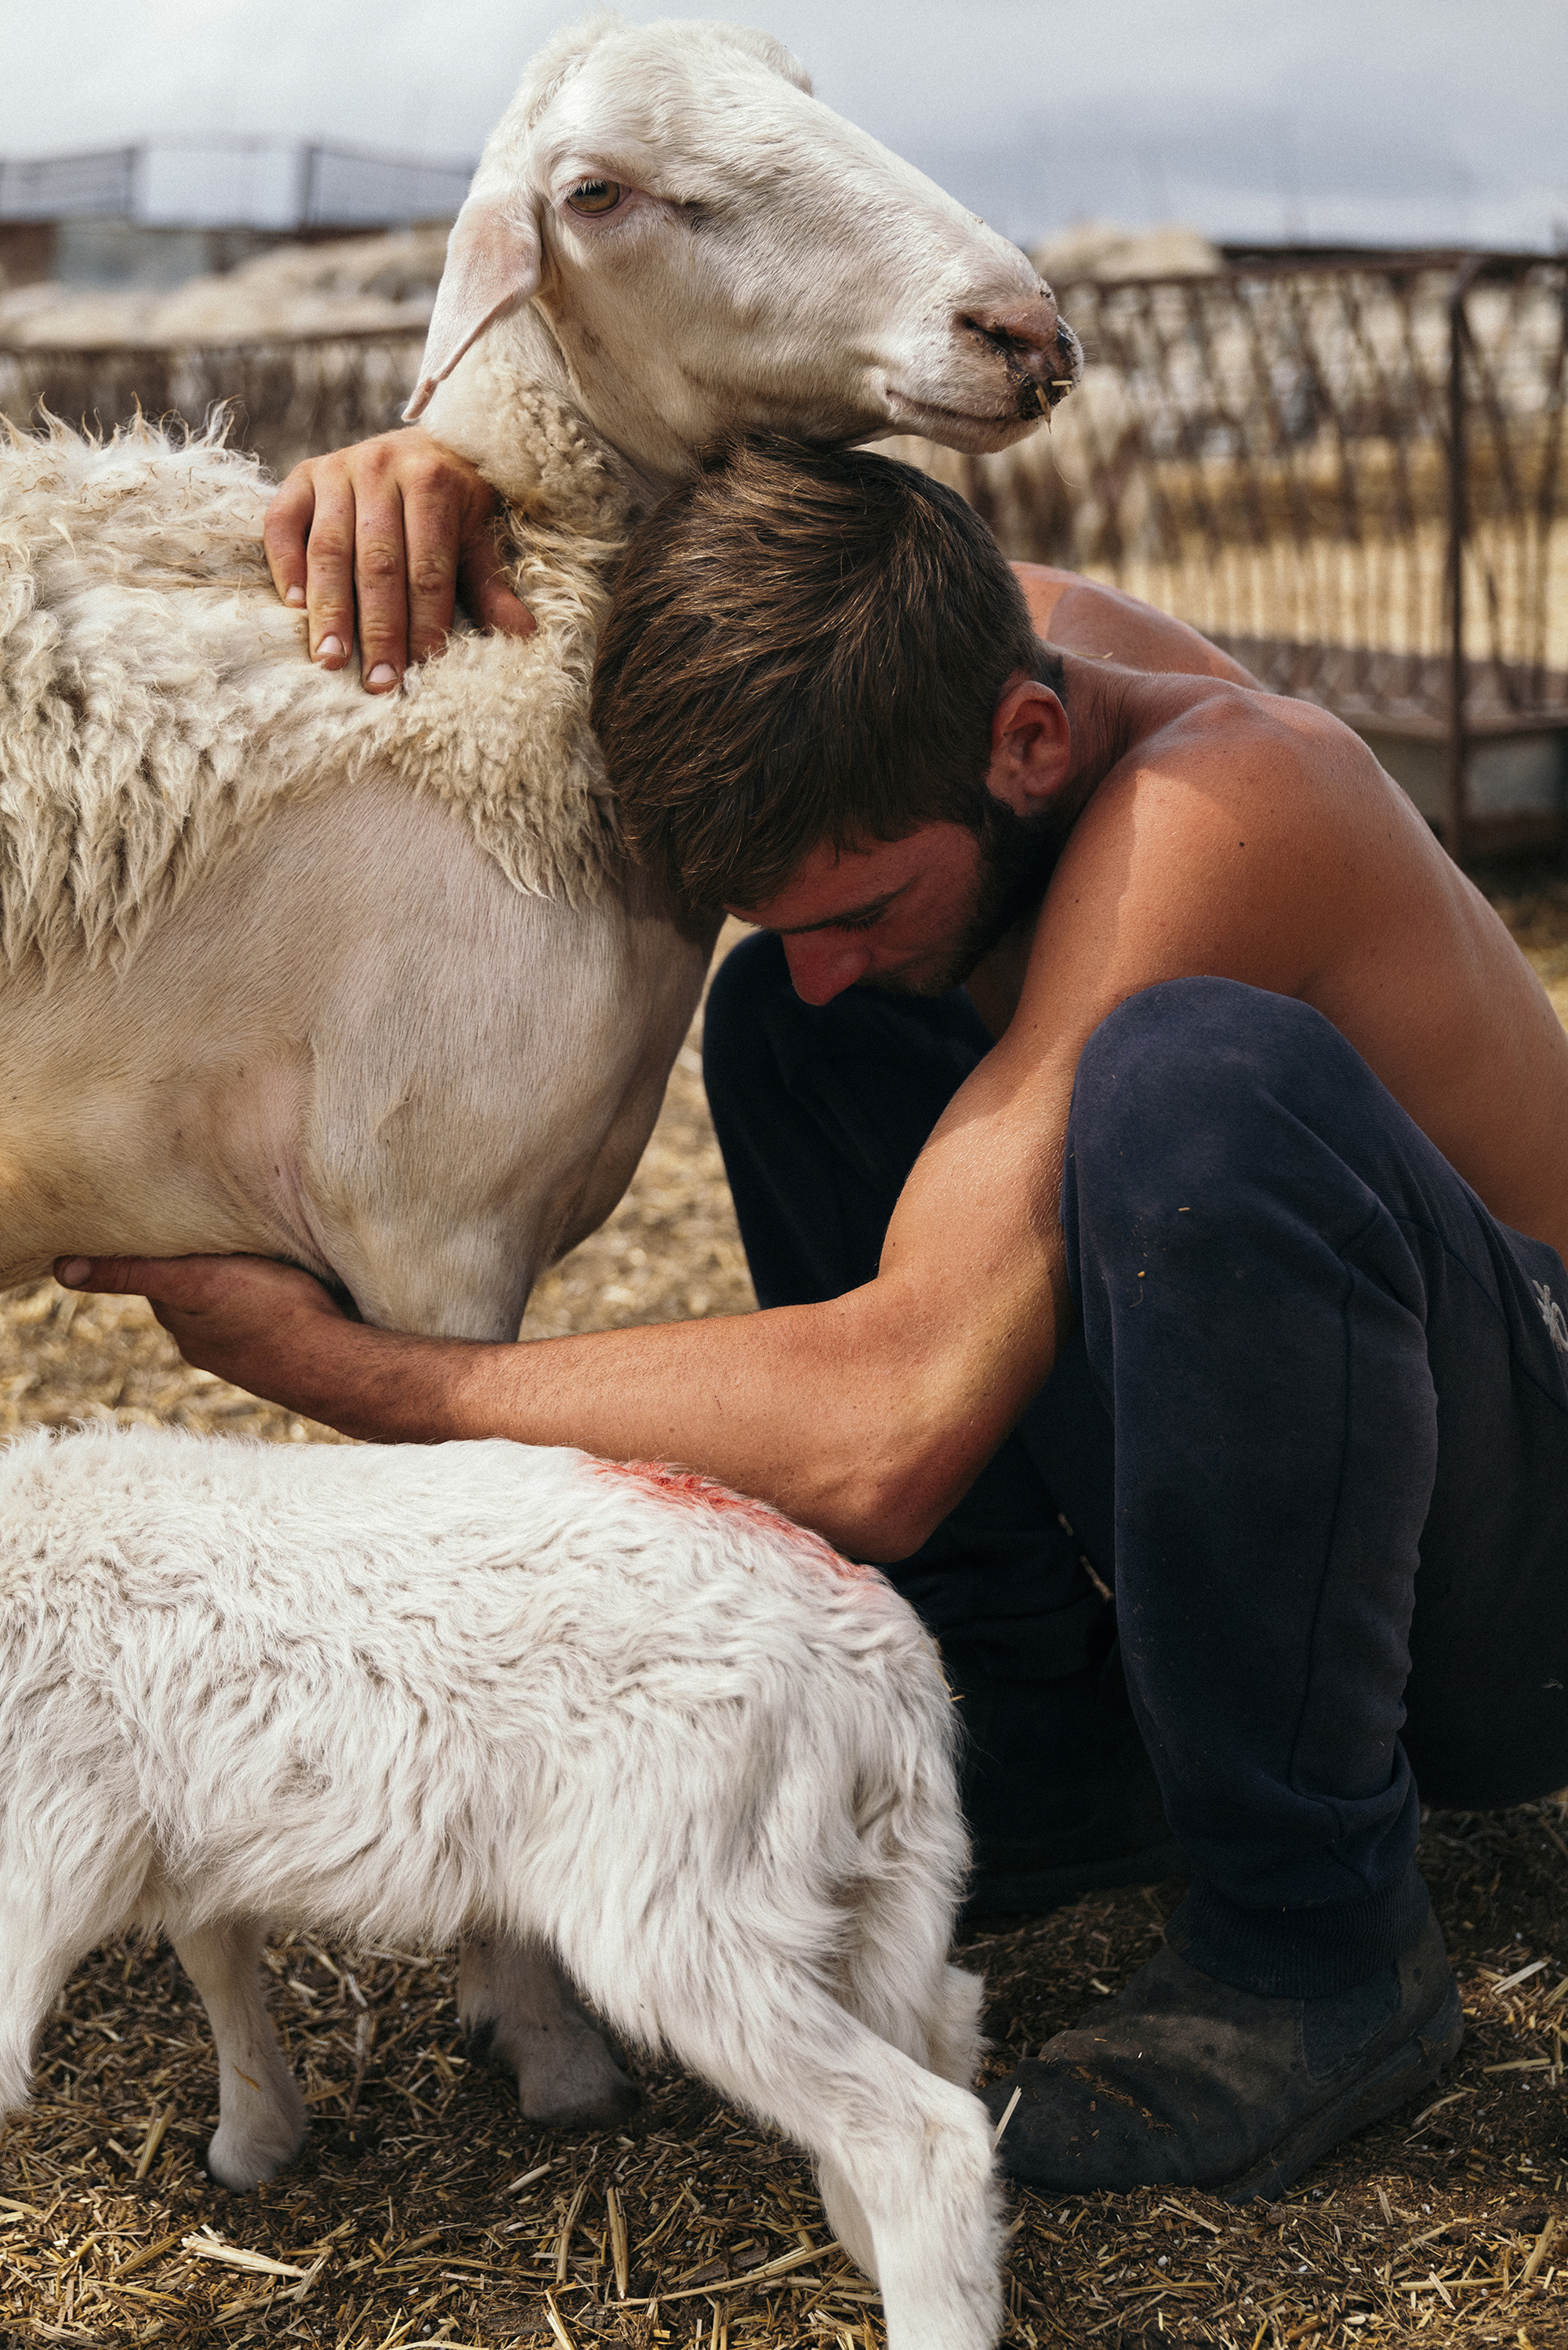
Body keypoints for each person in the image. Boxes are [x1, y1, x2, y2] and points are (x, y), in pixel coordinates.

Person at [60, 430, 1568, 2203]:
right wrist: (440, 470)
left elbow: (893, 1422)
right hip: (1357, 1515)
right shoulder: (924, 647)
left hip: (1518, 1582)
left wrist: (361, 1376)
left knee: (1191, 1090)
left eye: (862, 895)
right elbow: (679, 457)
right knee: (802, 1019)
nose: (832, 940)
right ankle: (1045, 1741)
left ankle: (1315, 1941)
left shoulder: (1239, 800)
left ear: (1028, 742)